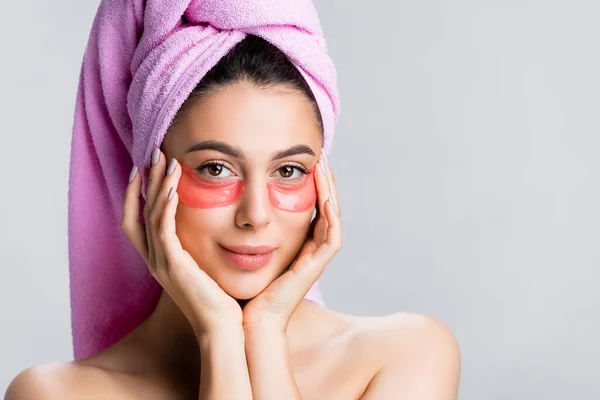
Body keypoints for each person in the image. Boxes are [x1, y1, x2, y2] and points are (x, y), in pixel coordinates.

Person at [6, 17, 460, 400]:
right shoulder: (55, 393)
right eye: (217, 169)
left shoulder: (407, 354)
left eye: (288, 171)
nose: (256, 215)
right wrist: (219, 335)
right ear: (148, 182)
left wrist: (263, 331)